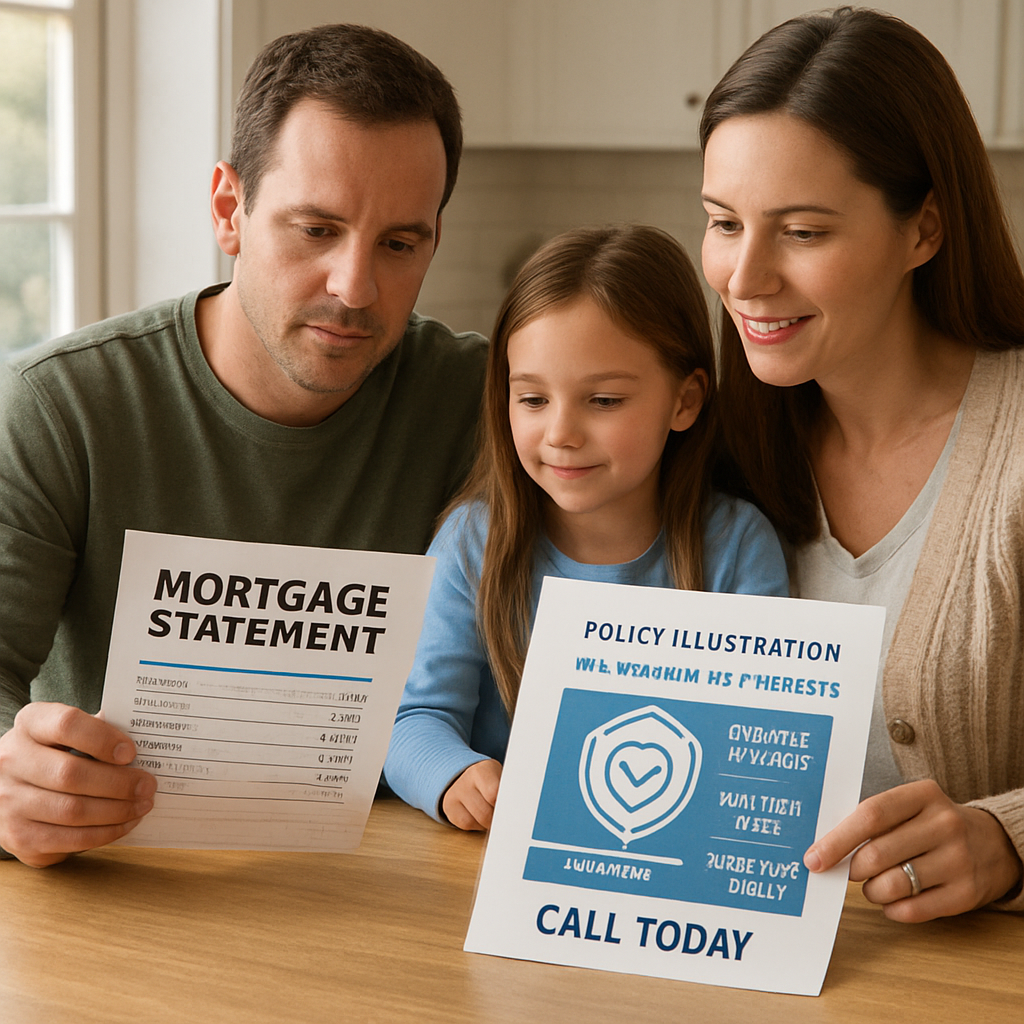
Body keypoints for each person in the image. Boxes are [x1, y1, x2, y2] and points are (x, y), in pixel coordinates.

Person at [0, 24, 487, 867]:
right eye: (316, 229)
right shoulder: (62, 404)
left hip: (390, 888)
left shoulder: (493, 402)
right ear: (230, 210)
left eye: (400, 244)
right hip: (117, 883)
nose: (355, 287)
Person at [699, 6, 1024, 919]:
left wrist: (1006, 840)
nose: (745, 276)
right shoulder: (711, 448)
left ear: (924, 230)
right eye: (724, 222)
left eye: (803, 232)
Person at [383, 224, 789, 829]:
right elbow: (413, 721)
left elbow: (763, 740)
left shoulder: (736, 545)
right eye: (533, 399)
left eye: (603, 401)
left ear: (685, 401)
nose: (561, 434)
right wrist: (455, 778)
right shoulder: (475, 542)